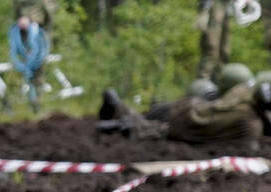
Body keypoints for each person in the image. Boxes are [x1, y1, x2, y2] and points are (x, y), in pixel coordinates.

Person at [98, 62, 271, 144]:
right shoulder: (250, 124)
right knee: (154, 131)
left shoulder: (242, 90)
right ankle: (120, 123)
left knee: (154, 120)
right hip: (191, 121)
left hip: (192, 106)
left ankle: (120, 110)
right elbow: (251, 149)